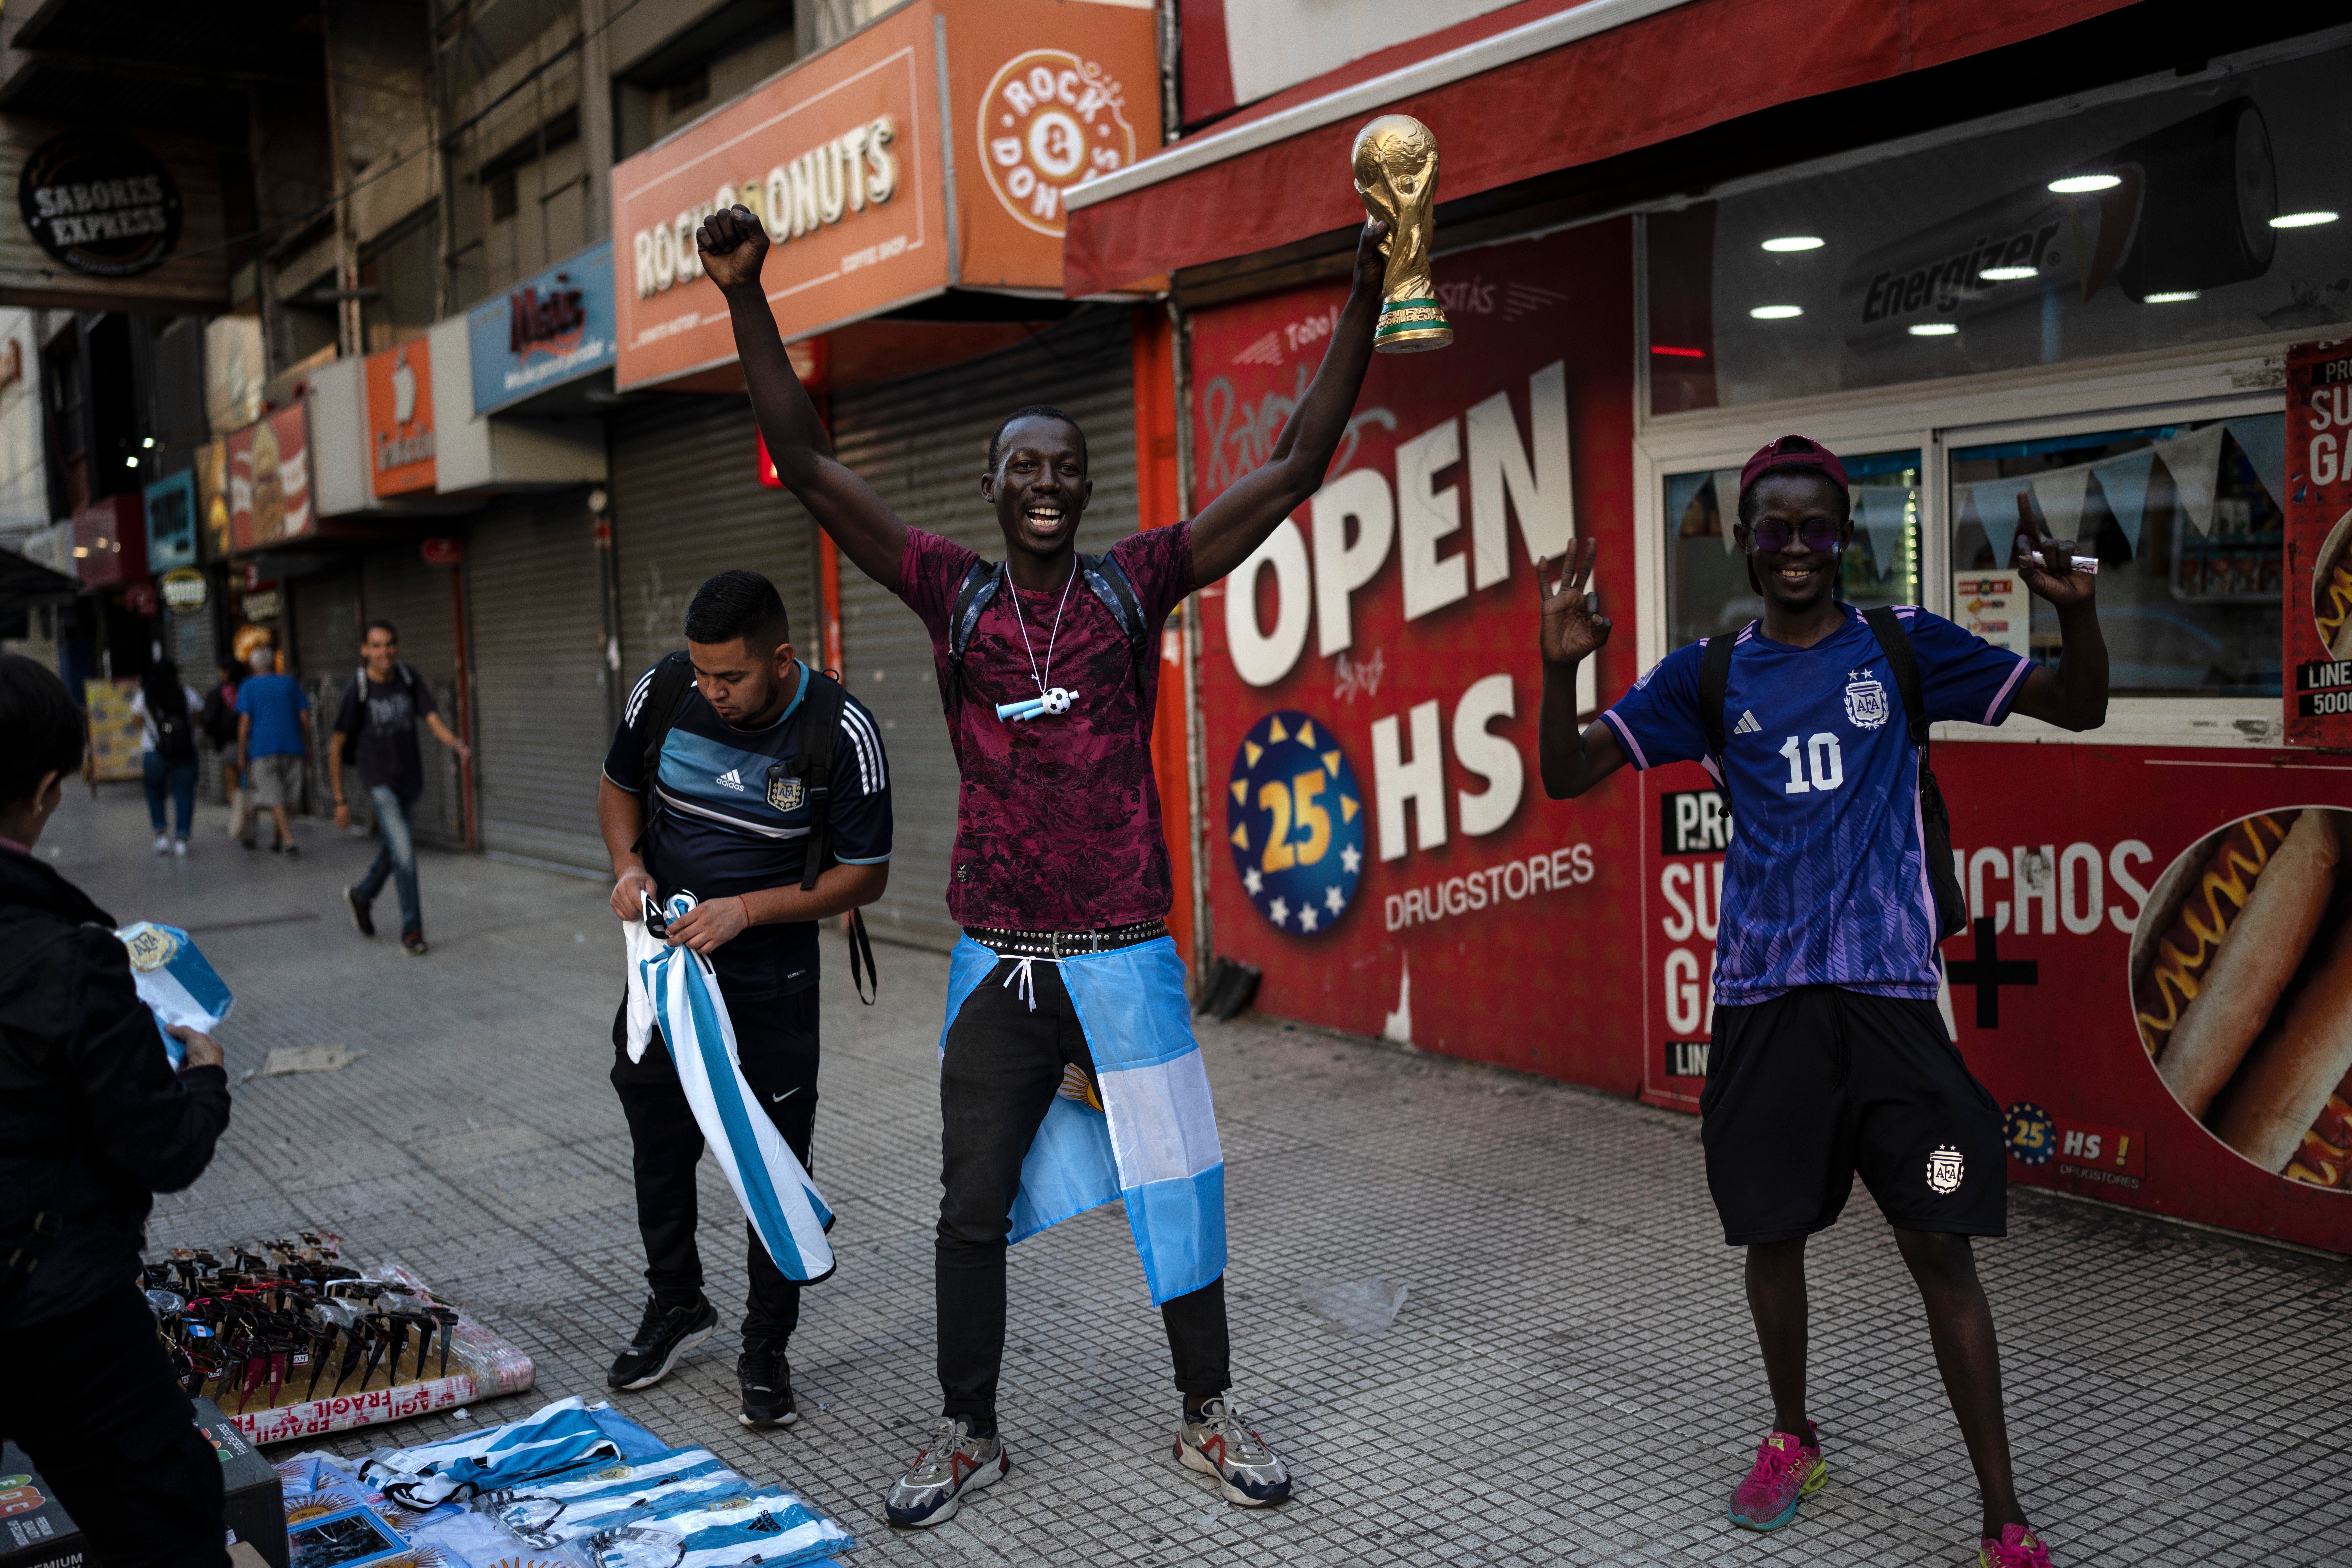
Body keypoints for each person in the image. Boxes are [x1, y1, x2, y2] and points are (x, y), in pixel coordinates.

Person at [699, 201, 1389, 1527]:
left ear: (1087, 486)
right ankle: (969, 1432)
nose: (1050, 483)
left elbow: (1300, 462)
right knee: (968, 1204)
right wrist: (747, 296)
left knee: (1181, 1188)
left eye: (1067, 466)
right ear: (993, 482)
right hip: (999, 965)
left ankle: (1207, 1416)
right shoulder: (950, 590)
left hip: (1125, 953)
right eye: (1026, 466)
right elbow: (805, 453)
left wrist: (1362, 290)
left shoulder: (1138, 582)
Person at [1534, 436, 2108, 1568]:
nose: (1795, 547)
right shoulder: (1707, 672)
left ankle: (2001, 1512)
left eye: (1815, 527)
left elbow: (2078, 706)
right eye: (1773, 528)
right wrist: (1559, 669)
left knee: (1941, 1235)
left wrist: (2075, 616)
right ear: (1746, 544)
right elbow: (1565, 772)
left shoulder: (1903, 648)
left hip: (1895, 1002)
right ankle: (1792, 1436)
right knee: (1772, 1231)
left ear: (1844, 538)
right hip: (1764, 1005)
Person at [596, 569, 892, 1430]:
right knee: (658, 1143)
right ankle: (677, 1302)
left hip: (773, 987)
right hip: (666, 974)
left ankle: (767, 1349)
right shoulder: (667, 689)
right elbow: (619, 790)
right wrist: (629, 866)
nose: (713, 692)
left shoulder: (843, 731)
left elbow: (865, 876)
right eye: (704, 674)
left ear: (782, 659)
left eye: (731, 677)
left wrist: (750, 911)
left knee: (774, 1166)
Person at [0, 653, 235, 1568]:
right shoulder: (66, 959)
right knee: (165, 1513)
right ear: (49, 792)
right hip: (55, 1314)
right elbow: (163, 1147)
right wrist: (205, 1074)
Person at [330, 620, 472, 957]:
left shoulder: (409, 678)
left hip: (411, 779)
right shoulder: (358, 687)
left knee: (397, 849)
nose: (385, 652)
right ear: (365, 650)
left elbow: (432, 718)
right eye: (377, 646)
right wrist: (340, 799)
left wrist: (457, 744)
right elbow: (336, 744)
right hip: (378, 781)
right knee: (405, 853)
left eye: (390, 644)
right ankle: (413, 930)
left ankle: (363, 897)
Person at [235, 644, 309, 857]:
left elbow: (244, 724)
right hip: (294, 747)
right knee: (285, 795)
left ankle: (288, 840)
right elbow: (304, 717)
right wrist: (309, 745)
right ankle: (279, 839)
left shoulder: (248, 686)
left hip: (262, 749)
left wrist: (242, 754)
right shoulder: (289, 683)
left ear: (253, 666)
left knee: (275, 796)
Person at [131, 659, 203, 857]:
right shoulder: (188, 694)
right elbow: (198, 719)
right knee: (185, 793)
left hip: (154, 751)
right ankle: (182, 839)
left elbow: (137, 722)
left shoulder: (144, 696)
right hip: (186, 751)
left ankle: (161, 836)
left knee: (155, 793)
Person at [198, 659, 246, 838]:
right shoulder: (247, 689)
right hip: (253, 743)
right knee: (249, 783)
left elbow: (208, 720)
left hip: (229, 744)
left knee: (232, 786)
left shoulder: (218, 693)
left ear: (224, 673)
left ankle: (240, 817)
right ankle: (247, 814)